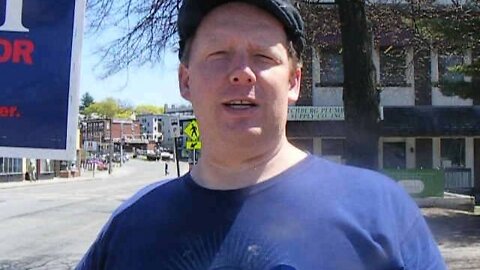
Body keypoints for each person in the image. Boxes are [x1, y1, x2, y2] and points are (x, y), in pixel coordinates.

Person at [76, 0, 446, 269]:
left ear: (294, 81)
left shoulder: (380, 212)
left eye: (263, 57)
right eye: (219, 53)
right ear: (185, 81)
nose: (241, 73)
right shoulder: (131, 228)